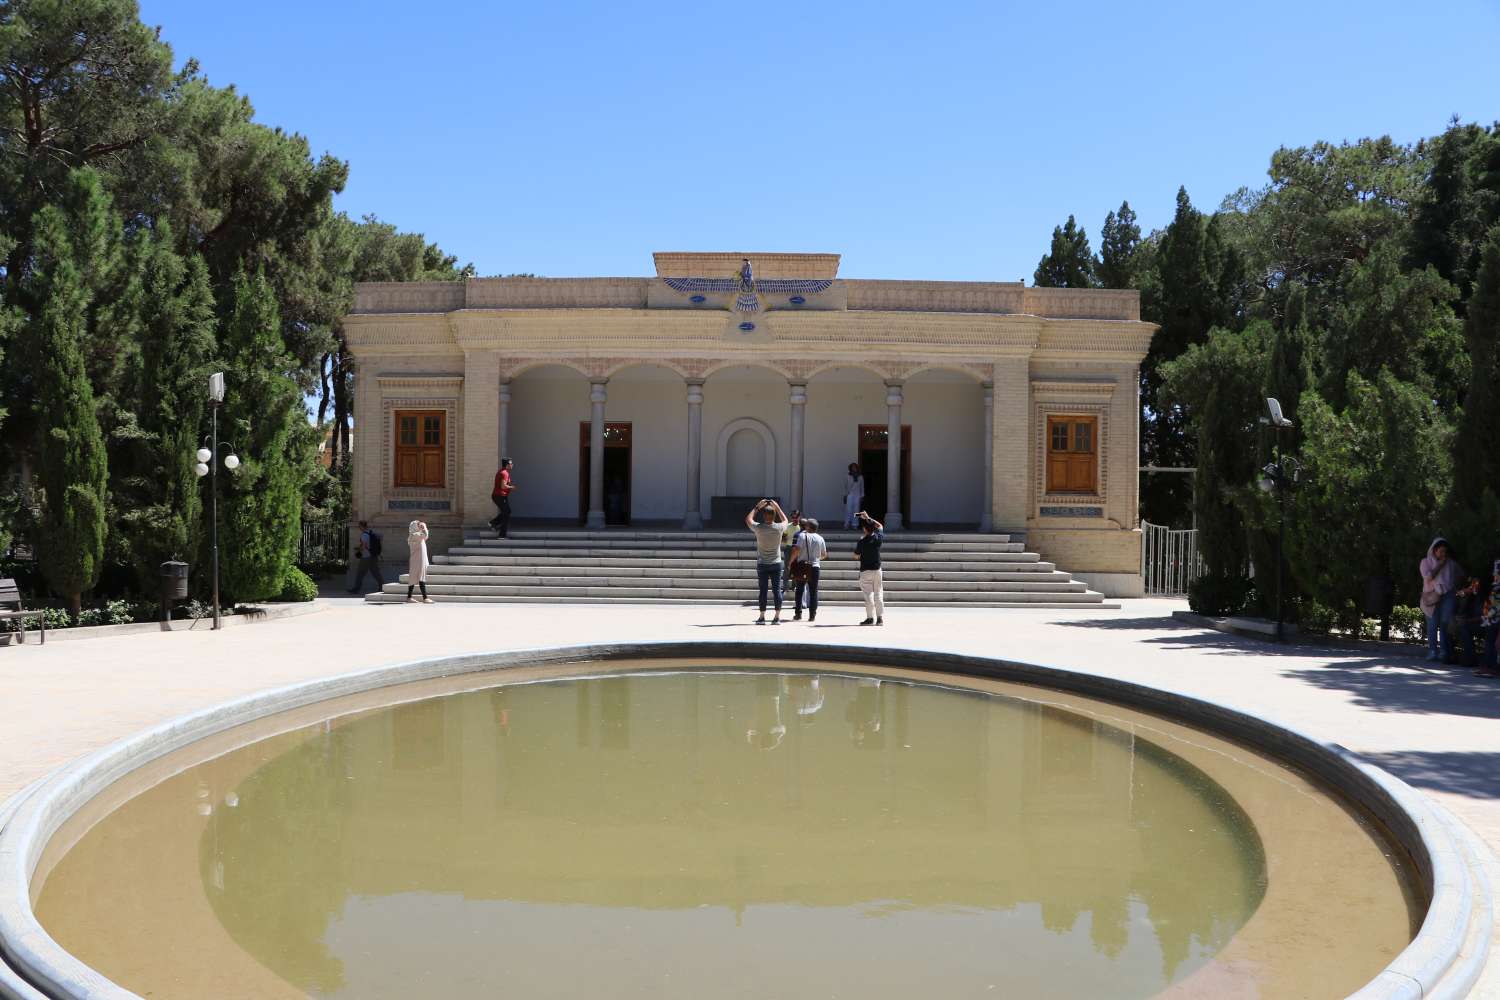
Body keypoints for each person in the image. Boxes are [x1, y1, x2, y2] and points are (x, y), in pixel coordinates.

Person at [745, 498, 789, 624]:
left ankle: (762, 616)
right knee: (777, 591)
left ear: (764, 516)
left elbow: (748, 519)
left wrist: (757, 507)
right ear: (774, 515)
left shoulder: (759, 528)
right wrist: (778, 507)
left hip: (763, 564)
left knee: (763, 591)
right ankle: (777, 617)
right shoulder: (779, 528)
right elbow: (785, 520)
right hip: (776, 563)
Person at [1419, 537, 1464, 661]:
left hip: (1447, 594)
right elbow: (1428, 577)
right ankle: (1432, 650)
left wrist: (1453, 585)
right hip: (1431, 595)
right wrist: (1440, 564)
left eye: (1445, 551)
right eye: (1440, 551)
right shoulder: (1425, 562)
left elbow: (1460, 574)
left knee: (1445, 622)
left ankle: (1444, 651)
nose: (1443, 554)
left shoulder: (1451, 563)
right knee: (1432, 623)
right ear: (1434, 551)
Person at [789, 517, 826, 622]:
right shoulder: (820, 538)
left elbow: (796, 550)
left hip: (802, 566)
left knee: (799, 590)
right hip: (815, 567)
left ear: (808, 526)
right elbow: (824, 554)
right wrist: (816, 559)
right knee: (813, 591)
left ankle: (798, 614)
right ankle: (812, 615)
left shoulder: (802, 536)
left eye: (806, 525)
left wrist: (790, 561)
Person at [854, 511, 884, 626]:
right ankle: (880, 618)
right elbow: (880, 526)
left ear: (865, 529)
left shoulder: (861, 541)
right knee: (878, 593)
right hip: (877, 570)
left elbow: (856, 556)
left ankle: (870, 618)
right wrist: (868, 517)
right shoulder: (878, 538)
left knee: (868, 594)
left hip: (866, 570)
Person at [347, 520, 385, 594]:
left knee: (360, 573)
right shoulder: (371, 532)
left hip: (366, 557)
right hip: (373, 556)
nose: (359, 528)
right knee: (376, 573)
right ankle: (382, 587)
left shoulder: (364, 535)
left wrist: (357, 549)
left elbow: (363, 547)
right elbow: (380, 537)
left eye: (359, 526)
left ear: (361, 526)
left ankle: (356, 589)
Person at [1477, 559, 1500, 678]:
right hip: (1493, 618)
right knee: (1490, 636)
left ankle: (1493, 666)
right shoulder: (1495, 587)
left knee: (1493, 638)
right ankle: (1489, 665)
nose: (1495, 575)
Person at [407, 519, 434, 604]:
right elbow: (425, 535)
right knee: (418, 577)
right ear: (414, 526)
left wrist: (423, 527)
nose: (420, 526)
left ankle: (409, 597)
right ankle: (425, 598)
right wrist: (424, 527)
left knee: (416, 577)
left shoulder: (415, 535)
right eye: (418, 525)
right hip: (417, 560)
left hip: (419, 559)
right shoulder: (415, 535)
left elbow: (425, 537)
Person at [490, 458, 516, 537]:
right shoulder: (504, 473)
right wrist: (511, 487)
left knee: (507, 512)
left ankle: (493, 523)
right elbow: (503, 486)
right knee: (506, 513)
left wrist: (509, 486)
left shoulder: (504, 472)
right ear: (507, 465)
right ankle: (502, 535)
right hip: (500, 496)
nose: (512, 465)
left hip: (501, 496)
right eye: (511, 464)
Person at [781, 510, 802, 594]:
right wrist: (784, 539)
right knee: (787, 567)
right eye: (793, 517)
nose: (794, 519)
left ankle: (794, 586)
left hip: (798, 548)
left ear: (799, 517)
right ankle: (785, 586)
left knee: (796, 567)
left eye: (796, 517)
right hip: (789, 548)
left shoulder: (801, 527)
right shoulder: (788, 526)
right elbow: (783, 537)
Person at [843, 464, 864, 529]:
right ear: (850, 468)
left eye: (855, 467)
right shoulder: (848, 476)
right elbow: (845, 487)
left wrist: (862, 496)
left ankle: (855, 525)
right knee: (848, 510)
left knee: (856, 511)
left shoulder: (860, 477)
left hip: (857, 495)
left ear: (857, 468)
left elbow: (862, 487)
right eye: (852, 467)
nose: (854, 469)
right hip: (849, 495)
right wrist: (845, 495)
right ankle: (847, 524)